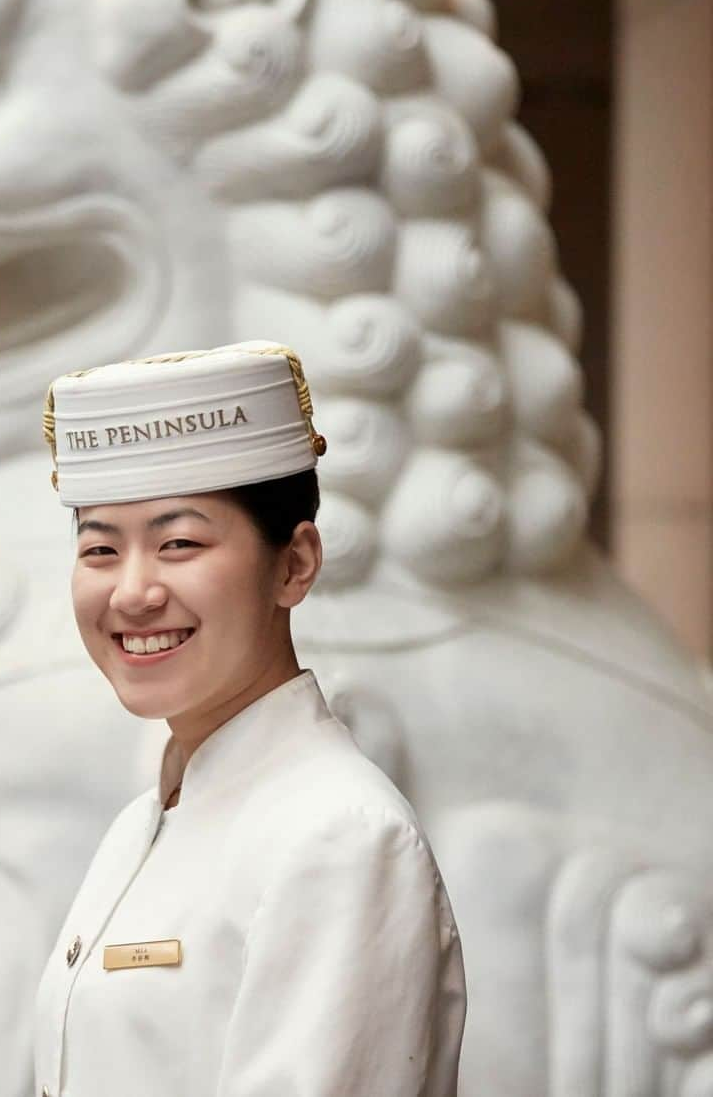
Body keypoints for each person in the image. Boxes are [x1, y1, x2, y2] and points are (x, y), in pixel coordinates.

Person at [33, 341, 466, 1097]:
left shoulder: (340, 838)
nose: (133, 591)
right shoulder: (142, 826)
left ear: (294, 563)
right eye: (100, 547)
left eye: (179, 543)